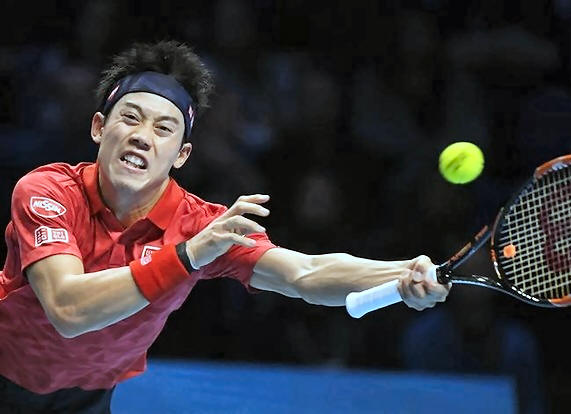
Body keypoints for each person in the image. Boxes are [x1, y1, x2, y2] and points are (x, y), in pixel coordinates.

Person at [0, 40, 450, 413]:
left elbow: (304, 274)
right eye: (130, 118)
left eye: (164, 129)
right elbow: (68, 310)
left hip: (87, 398)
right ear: (100, 127)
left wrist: (402, 272)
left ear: (181, 155)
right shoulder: (49, 191)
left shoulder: (202, 224)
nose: (142, 136)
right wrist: (188, 256)